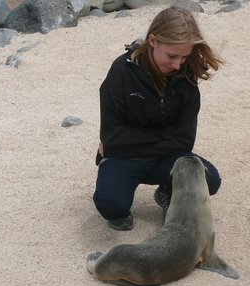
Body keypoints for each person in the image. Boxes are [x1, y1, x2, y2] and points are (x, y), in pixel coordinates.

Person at [92, 6, 224, 231]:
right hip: (125, 159)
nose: (177, 65)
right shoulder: (121, 71)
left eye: (184, 57)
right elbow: (112, 135)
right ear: (153, 41)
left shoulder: (186, 75)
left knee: (210, 180)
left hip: (155, 156)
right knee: (111, 206)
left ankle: (167, 191)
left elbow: (184, 141)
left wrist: (124, 142)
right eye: (172, 56)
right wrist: (163, 140)